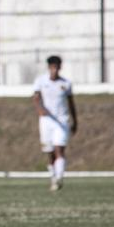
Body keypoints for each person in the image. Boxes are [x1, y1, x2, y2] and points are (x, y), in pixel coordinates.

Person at [32, 55, 77, 191]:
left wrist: (75, 120)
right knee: (50, 151)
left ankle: (59, 177)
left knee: (60, 149)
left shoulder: (66, 84)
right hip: (47, 121)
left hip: (62, 120)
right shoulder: (41, 81)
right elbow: (36, 99)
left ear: (60, 67)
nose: (55, 70)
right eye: (52, 67)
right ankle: (53, 175)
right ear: (49, 67)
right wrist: (40, 110)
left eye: (57, 67)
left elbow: (71, 103)